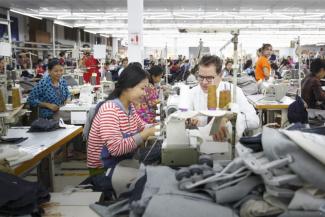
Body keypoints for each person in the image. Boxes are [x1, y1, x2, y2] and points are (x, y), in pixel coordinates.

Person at [87, 64, 156, 176]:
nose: (145, 93)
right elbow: (116, 149)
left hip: (121, 164)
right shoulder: (110, 110)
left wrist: (162, 126)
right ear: (128, 87)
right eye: (142, 88)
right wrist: (145, 134)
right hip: (103, 171)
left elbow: (142, 126)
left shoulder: (130, 106)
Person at [183, 55, 259, 140]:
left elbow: (254, 121)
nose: (204, 82)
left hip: (227, 144)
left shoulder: (233, 91)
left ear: (221, 75)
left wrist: (229, 118)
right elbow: (184, 117)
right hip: (201, 143)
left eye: (209, 78)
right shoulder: (193, 93)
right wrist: (189, 120)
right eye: (201, 77)